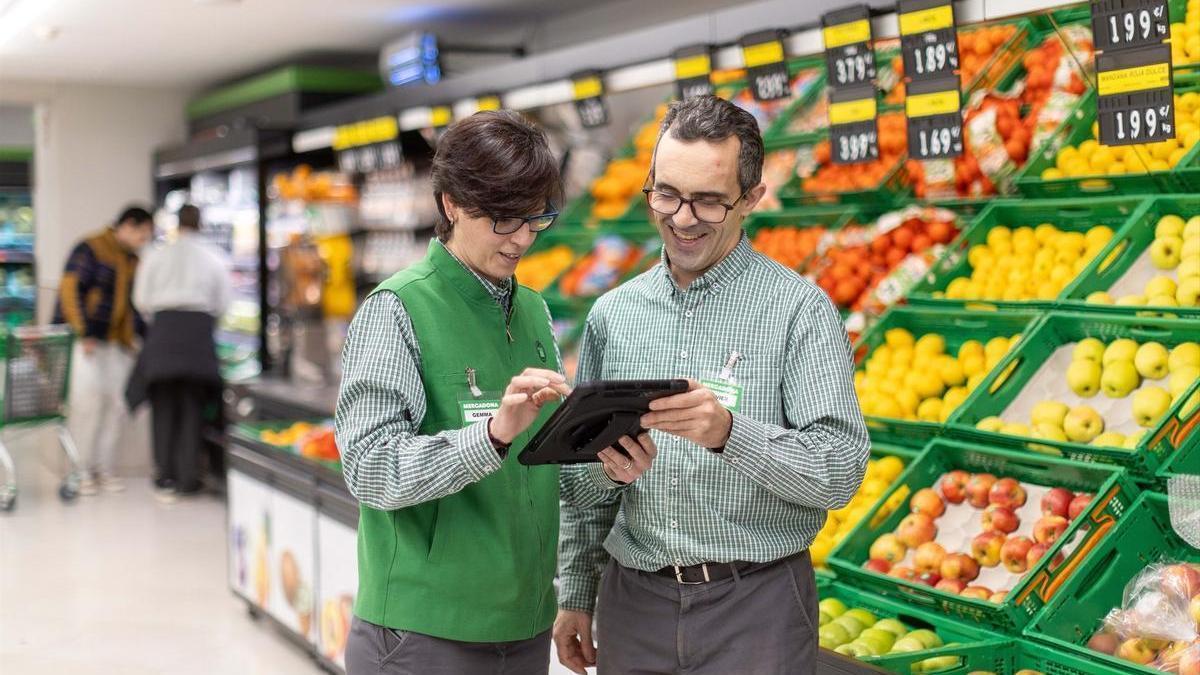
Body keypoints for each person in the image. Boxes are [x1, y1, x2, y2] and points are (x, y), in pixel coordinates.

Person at [553, 95, 870, 675]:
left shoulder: (798, 310)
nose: (681, 218)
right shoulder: (614, 315)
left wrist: (729, 433)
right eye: (667, 194)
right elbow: (578, 485)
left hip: (756, 606)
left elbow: (840, 469)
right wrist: (576, 588)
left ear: (751, 198)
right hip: (633, 604)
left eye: (708, 201)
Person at [335, 110, 657, 675]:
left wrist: (608, 463)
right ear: (451, 204)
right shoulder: (398, 310)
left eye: (536, 221)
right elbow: (369, 469)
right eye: (504, 221)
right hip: (422, 633)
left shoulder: (533, 309)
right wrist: (490, 435)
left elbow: (545, 470)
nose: (522, 240)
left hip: (523, 627)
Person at [128, 204, 232, 502]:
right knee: (193, 407)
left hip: (162, 332)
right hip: (198, 334)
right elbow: (223, 303)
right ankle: (189, 479)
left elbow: (141, 300)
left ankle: (165, 477)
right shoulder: (214, 257)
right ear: (201, 224)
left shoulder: (156, 256)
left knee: (163, 407)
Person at [55, 205, 154, 496]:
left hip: (116, 345)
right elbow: (70, 290)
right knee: (87, 405)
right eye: (143, 234)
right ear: (128, 225)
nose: (144, 240)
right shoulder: (91, 248)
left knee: (116, 406)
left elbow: (133, 306)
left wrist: (142, 338)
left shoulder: (133, 260)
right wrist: (83, 330)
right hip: (86, 343)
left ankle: (104, 468)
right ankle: (80, 470)